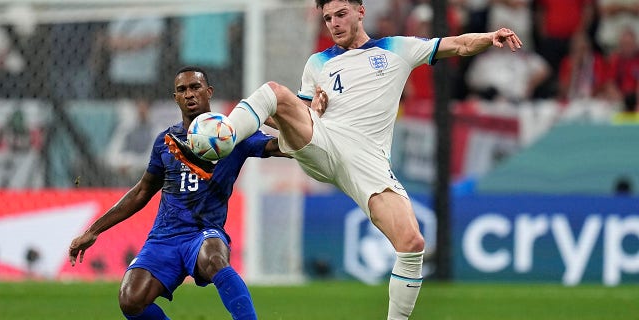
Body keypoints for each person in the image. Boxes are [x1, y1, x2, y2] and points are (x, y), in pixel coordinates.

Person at [166, 1, 523, 319]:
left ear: (360, 11)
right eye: (327, 18)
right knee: (273, 92)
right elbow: (296, 114)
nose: (334, 23)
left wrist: (490, 36)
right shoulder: (318, 63)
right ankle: (223, 137)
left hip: (368, 161)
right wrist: (311, 111)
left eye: (340, 14)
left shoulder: (396, 48)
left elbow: (457, 44)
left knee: (412, 244)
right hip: (323, 142)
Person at [68, 66, 287, 320]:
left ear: (209, 92)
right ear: (175, 98)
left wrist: (293, 124)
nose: (189, 94)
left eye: (195, 87)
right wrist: (93, 230)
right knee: (130, 300)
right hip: (165, 237)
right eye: (182, 90)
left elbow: (278, 147)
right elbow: (142, 191)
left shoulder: (231, 134)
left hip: (203, 233)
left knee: (214, 257)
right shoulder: (166, 141)